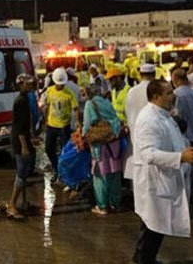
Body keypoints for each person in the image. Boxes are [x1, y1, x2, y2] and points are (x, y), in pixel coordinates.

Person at [131, 79, 193, 264]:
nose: (174, 95)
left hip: (165, 177)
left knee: (152, 223)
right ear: (156, 97)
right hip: (155, 180)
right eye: (169, 92)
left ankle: (143, 258)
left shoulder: (164, 115)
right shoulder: (148, 119)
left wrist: (187, 154)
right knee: (154, 225)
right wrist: (181, 157)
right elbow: (148, 154)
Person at [83, 84, 123, 215]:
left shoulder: (90, 104)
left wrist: (83, 137)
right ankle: (115, 203)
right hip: (113, 142)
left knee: (100, 175)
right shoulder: (107, 102)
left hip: (100, 145)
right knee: (114, 173)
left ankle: (102, 206)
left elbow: (88, 124)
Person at [43, 67, 80, 183]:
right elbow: (47, 106)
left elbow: (76, 108)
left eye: (62, 84)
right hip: (51, 125)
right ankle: (56, 169)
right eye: (59, 84)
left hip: (64, 126)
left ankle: (65, 174)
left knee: (65, 151)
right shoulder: (49, 91)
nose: (61, 86)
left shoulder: (69, 93)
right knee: (49, 148)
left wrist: (78, 122)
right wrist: (45, 121)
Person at [8, 74, 37, 220]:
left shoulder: (25, 99)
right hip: (20, 141)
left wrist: (32, 137)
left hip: (24, 139)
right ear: (21, 85)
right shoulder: (20, 101)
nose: (30, 85)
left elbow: (27, 123)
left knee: (25, 171)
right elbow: (19, 127)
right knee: (21, 172)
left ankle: (23, 201)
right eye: (27, 84)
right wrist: (24, 146)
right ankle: (12, 205)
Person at [172, 69, 193, 200]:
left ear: (175, 80)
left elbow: (177, 115)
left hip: (185, 135)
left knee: (186, 169)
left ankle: (187, 196)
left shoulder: (176, 94)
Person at [123, 64, 156, 179]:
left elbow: (127, 114)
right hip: (153, 138)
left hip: (135, 138)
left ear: (140, 75)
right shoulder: (156, 90)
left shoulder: (131, 92)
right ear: (154, 74)